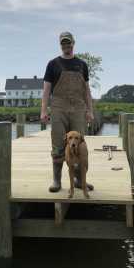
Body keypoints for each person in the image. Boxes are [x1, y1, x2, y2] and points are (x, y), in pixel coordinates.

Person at [41, 31, 95, 193]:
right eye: (64, 43)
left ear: (73, 43)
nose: (66, 45)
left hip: (78, 108)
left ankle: (79, 180)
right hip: (58, 108)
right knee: (58, 145)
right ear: (60, 45)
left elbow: (86, 90)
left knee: (80, 145)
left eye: (69, 43)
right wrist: (44, 109)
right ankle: (57, 181)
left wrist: (90, 110)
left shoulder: (82, 65)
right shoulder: (53, 64)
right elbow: (46, 89)